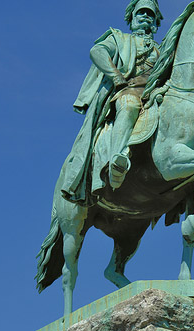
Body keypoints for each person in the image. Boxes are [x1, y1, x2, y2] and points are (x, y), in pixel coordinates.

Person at [61, 0, 163, 204]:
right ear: (132, 19)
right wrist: (116, 76)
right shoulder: (119, 39)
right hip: (127, 90)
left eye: (150, 15)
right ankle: (117, 159)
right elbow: (96, 52)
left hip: (156, 94)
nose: (145, 17)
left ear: (155, 23)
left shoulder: (163, 50)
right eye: (140, 13)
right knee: (129, 104)